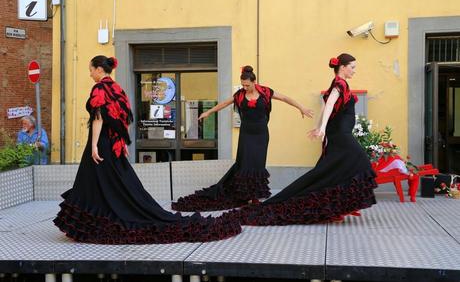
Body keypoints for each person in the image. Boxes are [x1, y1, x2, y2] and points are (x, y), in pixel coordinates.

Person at [53, 55, 241, 244]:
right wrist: (123, 142)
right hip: (114, 143)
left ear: (100, 70)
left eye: (91, 69)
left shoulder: (100, 89)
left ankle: (94, 222)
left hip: (102, 142)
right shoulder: (118, 89)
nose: (90, 73)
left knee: (95, 181)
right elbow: (125, 118)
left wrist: (94, 145)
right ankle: (99, 219)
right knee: (111, 182)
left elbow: (98, 118)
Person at [234, 54, 377, 225]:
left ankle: (336, 207)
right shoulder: (340, 83)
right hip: (341, 135)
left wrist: (319, 127)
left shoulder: (338, 83)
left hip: (339, 134)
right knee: (359, 162)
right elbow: (329, 104)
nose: (354, 70)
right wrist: (322, 128)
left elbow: (325, 107)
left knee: (331, 171)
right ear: (343, 67)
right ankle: (337, 205)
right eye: (352, 67)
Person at [172, 65, 314, 212]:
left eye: (247, 85)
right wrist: (208, 112)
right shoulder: (239, 95)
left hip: (261, 134)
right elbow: (224, 104)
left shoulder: (265, 92)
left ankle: (255, 196)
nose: (245, 87)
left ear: (254, 82)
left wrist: (301, 107)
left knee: (258, 164)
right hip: (246, 134)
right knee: (245, 163)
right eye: (243, 85)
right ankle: (245, 195)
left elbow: (285, 98)